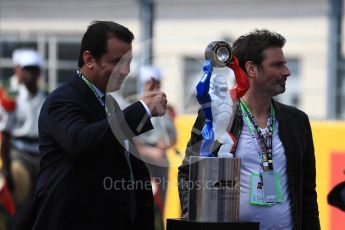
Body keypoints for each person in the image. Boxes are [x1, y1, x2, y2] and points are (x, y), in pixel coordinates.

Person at [14, 21, 167, 230]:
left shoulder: (107, 102)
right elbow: (79, 140)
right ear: (89, 59)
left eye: (128, 62)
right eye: (117, 62)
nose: (125, 71)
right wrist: (142, 109)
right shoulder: (63, 99)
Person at [178, 29, 320, 230]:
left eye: (285, 63)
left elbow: (307, 193)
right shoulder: (218, 114)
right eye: (277, 64)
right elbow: (188, 174)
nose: (287, 71)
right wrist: (195, 220)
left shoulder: (296, 120)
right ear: (252, 69)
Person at [0, 48, 45, 211]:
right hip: (20, 155)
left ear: (39, 72)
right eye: (27, 69)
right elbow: (5, 135)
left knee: (42, 205)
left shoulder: (46, 98)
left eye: (34, 69)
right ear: (20, 71)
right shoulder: (11, 98)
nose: (31, 74)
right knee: (21, 206)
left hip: (42, 156)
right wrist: (6, 170)